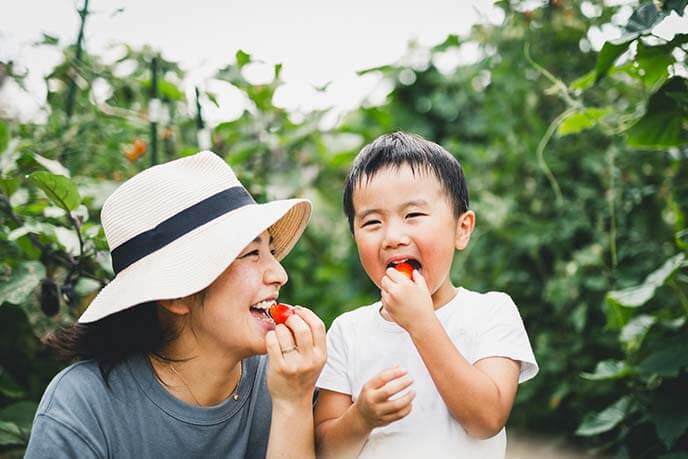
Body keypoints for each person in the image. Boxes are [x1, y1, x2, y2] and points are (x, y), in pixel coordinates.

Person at [25, 151, 326, 458]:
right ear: (177, 294)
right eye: (251, 253)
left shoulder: (290, 380)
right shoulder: (83, 407)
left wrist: (293, 403)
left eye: (271, 251)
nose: (279, 274)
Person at [314, 132, 538, 458]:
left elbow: (487, 419)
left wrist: (422, 323)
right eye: (372, 221)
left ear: (462, 229)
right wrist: (360, 418)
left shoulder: (491, 312)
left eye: (413, 215)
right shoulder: (347, 332)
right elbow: (324, 450)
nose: (393, 236)